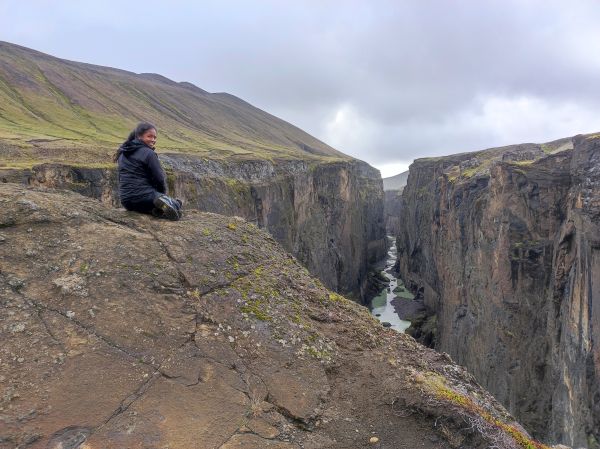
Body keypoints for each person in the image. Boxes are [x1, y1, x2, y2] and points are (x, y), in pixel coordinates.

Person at [114, 122, 182, 220]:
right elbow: (159, 178)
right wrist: (161, 194)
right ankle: (171, 203)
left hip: (126, 201)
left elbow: (121, 178)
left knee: (156, 203)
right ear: (139, 136)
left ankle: (157, 210)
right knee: (176, 203)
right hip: (145, 197)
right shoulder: (149, 153)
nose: (153, 140)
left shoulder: (122, 153)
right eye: (149, 136)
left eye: (155, 137)